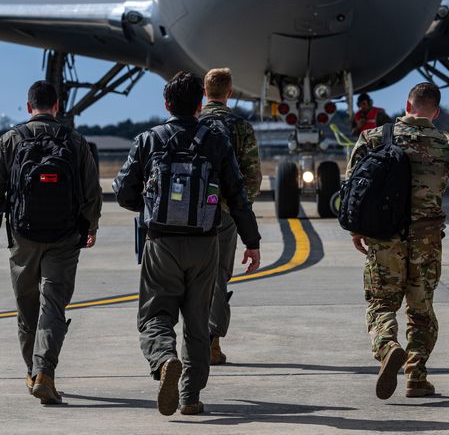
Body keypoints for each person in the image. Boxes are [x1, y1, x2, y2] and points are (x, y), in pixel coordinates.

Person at [113, 71, 260, 416]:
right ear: (199, 105)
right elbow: (238, 195)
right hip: (205, 242)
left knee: (154, 316)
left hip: (161, 241)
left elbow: (122, 192)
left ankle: (164, 359)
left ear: (166, 104)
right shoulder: (216, 140)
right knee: (197, 321)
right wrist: (251, 241)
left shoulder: (149, 139)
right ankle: (189, 396)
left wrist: (149, 204)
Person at [347, 82, 449, 399]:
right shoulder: (448, 144)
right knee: (421, 310)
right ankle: (416, 376)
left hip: (385, 238)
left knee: (381, 304)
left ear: (406, 105)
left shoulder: (374, 137)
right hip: (427, 239)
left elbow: (353, 185)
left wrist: (357, 229)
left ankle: (388, 346)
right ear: (436, 112)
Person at [0, 80, 102, 404]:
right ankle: (45, 372)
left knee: (27, 307)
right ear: (56, 106)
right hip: (64, 237)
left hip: (23, 236)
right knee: (53, 305)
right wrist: (91, 226)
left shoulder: (10, 140)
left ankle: (32, 372)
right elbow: (91, 192)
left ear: (29, 107)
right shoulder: (74, 140)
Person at [200, 68, 262, 365]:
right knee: (218, 277)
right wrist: (237, 209)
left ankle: (188, 338)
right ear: (230, 92)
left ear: (205, 90)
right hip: (224, 213)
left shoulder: (191, 122)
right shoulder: (240, 126)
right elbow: (253, 176)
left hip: (187, 213)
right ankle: (212, 341)